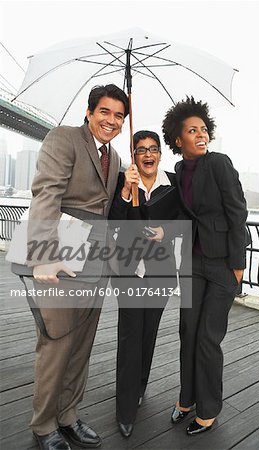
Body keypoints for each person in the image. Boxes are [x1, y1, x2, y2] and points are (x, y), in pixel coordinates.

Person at [26, 84, 129, 450]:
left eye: (119, 116)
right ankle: (43, 426)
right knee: (57, 342)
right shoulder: (64, 138)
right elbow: (47, 194)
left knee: (82, 344)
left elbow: (110, 211)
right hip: (61, 253)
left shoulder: (115, 157)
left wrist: (127, 189)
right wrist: (42, 254)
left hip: (96, 259)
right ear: (89, 112)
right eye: (105, 112)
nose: (111, 121)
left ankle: (68, 415)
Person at [162, 97, 249, 435]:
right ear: (177, 139)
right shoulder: (180, 171)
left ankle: (208, 409)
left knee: (208, 339)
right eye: (191, 130)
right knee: (188, 332)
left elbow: (237, 212)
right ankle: (187, 399)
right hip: (192, 264)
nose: (200, 134)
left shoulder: (219, 164)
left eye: (203, 129)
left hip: (223, 265)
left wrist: (237, 265)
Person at [109, 130, 178, 438]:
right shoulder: (125, 183)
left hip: (161, 274)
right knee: (129, 337)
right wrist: (126, 190)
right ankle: (125, 410)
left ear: (160, 154)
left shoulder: (173, 185)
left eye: (153, 149)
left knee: (148, 334)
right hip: (130, 273)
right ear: (133, 155)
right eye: (141, 150)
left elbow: (189, 220)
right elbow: (113, 224)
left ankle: (139, 387)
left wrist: (167, 231)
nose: (148, 155)